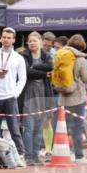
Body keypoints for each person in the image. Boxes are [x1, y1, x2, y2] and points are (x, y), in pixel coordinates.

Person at [0, 27, 26, 158]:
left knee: (14, 129)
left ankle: (20, 155)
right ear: (1, 38)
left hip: (10, 97)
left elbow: (22, 79)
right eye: (4, 37)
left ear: (14, 40)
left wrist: (15, 93)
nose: (6, 40)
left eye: (9, 38)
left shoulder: (18, 58)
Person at [58, 34, 87, 163]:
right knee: (78, 127)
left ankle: (62, 153)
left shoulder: (61, 56)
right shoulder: (80, 59)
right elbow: (86, 78)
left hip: (63, 96)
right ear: (82, 46)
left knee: (62, 127)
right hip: (77, 98)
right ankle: (79, 155)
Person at [19, 31, 54, 165]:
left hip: (43, 95)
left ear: (40, 42)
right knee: (29, 128)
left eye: (35, 40)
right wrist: (44, 74)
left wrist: (35, 67)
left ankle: (35, 155)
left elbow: (50, 66)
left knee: (39, 128)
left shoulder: (46, 55)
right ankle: (28, 156)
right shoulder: (24, 56)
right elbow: (27, 72)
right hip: (29, 95)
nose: (32, 43)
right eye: (30, 41)